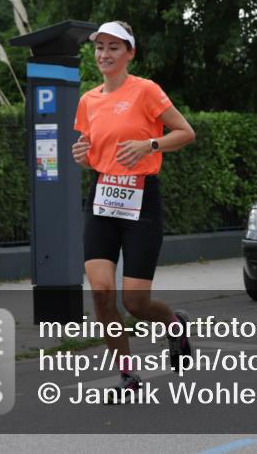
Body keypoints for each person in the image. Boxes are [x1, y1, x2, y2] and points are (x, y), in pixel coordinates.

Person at [72, 21, 196, 400]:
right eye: (99, 48)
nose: (104, 54)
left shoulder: (146, 91)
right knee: (102, 293)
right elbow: (90, 148)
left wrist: (150, 145)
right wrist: (82, 155)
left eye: (113, 47)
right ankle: (127, 375)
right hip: (103, 197)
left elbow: (185, 132)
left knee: (135, 302)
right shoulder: (88, 100)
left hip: (141, 198)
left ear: (130, 53)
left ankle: (174, 324)